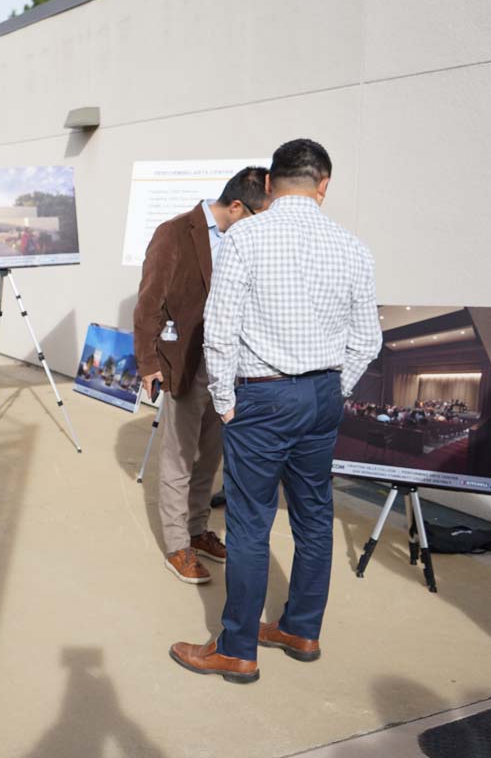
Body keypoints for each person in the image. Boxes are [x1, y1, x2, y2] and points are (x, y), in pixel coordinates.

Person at [170, 139, 382, 683]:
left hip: (262, 398)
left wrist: (225, 401)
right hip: (322, 397)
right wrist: (337, 388)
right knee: (314, 518)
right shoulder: (353, 247)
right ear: (324, 185)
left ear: (268, 184)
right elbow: (368, 341)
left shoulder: (243, 238)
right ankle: (301, 629)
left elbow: (219, 333)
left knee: (248, 524)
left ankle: (238, 648)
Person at [133, 167, 267, 585]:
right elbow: (149, 302)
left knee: (210, 453)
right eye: (256, 216)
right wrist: (149, 364)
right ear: (235, 207)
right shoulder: (175, 233)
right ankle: (177, 545)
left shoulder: (246, 240)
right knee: (178, 455)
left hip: (230, 364)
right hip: (186, 361)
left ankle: (196, 527)